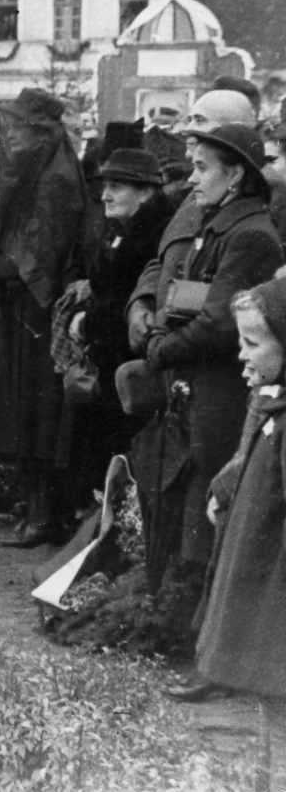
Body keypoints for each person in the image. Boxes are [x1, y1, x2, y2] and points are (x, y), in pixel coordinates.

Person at [127, 124, 283, 614]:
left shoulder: (251, 235)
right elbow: (181, 298)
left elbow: (216, 320)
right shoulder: (215, 226)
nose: (193, 180)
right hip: (192, 382)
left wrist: (159, 348)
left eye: (202, 168)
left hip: (219, 389)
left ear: (235, 174)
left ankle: (196, 621)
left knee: (202, 498)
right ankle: (182, 612)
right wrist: (162, 334)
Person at [167, 278, 286, 703]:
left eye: (252, 345)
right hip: (252, 511)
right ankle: (223, 665)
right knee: (233, 582)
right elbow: (249, 443)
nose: (242, 356)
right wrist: (229, 485)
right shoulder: (268, 392)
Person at [0, 88, 87, 547]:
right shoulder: (35, 172)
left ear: (40, 133)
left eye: (20, 128)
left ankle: (43, 516)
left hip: (39, 311)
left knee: (39, 413)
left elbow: (42, 253)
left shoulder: (55, 179)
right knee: (27, 410)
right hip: (24, 306)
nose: (11, 138)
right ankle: (36, 510)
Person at [56, 150, 174, 525]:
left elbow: (124, 302)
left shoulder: (147, 239)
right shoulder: (126, 231)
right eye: (105, 186)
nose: (105, 195)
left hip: (128, 366)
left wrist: (84, 324)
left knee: (119, 449)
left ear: (145, 193)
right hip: (112, 364)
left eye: (117, 187)